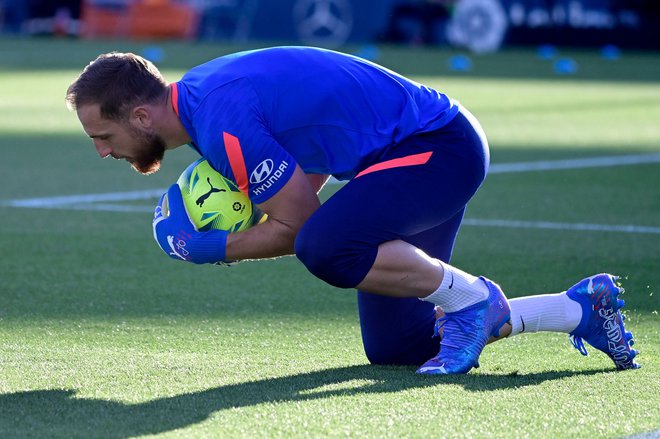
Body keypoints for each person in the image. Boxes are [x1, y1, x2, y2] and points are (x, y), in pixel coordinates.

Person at [65, 47, 639, 374]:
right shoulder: (203, 102)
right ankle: (575, 310)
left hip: (437, 146)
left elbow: (303, 227)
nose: (101, 150)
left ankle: (475, 298)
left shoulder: (220, 120)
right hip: (404, 157)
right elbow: (308, 161)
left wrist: (209, 247)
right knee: (399, 349)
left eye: (103, 133)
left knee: (327, 247)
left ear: (141, 117)